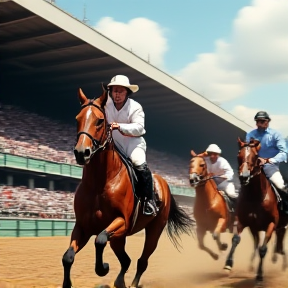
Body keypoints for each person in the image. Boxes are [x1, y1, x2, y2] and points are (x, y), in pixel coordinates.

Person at [104, 75, 158, 216]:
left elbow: (140, 128)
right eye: (115, 90)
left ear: (127, 92)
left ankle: (149, 201)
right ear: (110, 91)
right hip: (113, 144)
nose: (117, 94)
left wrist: (119, 126)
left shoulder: (135, 107)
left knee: (138, 163)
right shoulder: (106, 105)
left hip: (133, 144)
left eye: (121, 91)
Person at [246, 111, 288, 210]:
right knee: (242, 187)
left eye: (262, 121)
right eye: (257, 121)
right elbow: (247, 151)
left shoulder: (276, 134)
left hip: (271, 167)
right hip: (254, 168)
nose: (259, 124)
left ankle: (285, 212)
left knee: (281, 186)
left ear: (267, 122)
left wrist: (269, 160)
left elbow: (284, 152)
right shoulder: (250, 134)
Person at [203, 144, 238, 211]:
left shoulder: (222, 161)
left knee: (231, 194)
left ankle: (236, 211)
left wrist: (226, 176)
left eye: (214, 154)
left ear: (218, 154)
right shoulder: (205, 160)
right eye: (210, 154)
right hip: (211, 183)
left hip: (223, 183)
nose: (212, 156)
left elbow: (230, 172)